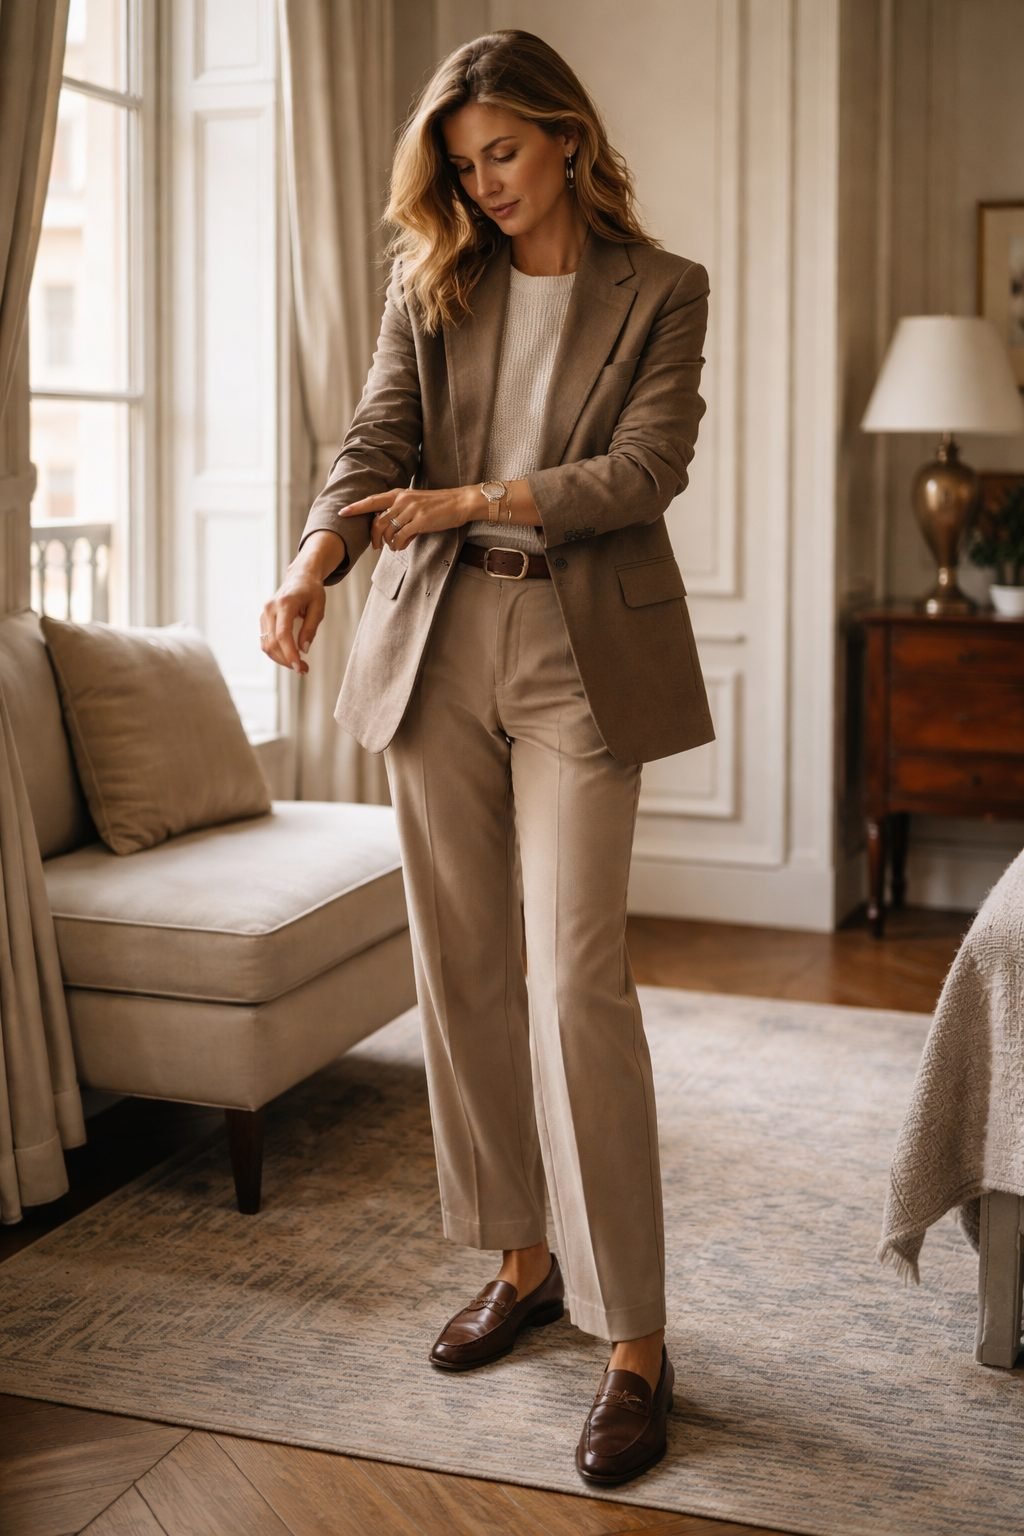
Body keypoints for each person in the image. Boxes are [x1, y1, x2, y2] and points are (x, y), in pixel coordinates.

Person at [260, 27, 714, 1487]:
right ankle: (523, 1262)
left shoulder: (664, 290)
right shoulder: (430, 280)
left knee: (579, 978)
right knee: (461, 970)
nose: (486, 185)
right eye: (462, 166)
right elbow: (370, 439)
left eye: (503, 154)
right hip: (432, 648)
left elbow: (641, 474)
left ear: (568, 138)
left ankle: (634, 1336)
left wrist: (462, 500)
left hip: (581, 652)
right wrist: (312, 558)